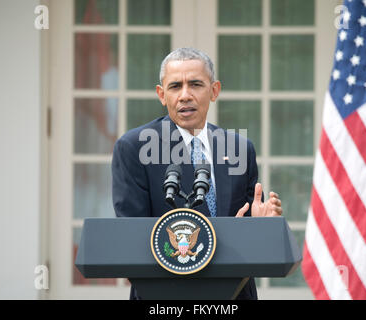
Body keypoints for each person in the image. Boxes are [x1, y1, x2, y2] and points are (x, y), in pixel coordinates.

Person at [112, 47, 283, 300]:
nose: (185, 95)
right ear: (161, 95)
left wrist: (260, 229)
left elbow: (249, 243)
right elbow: (133, 240)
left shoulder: (239, 148)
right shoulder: (135, 148)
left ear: (214, 91)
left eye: (195, 84)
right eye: (174, 86)